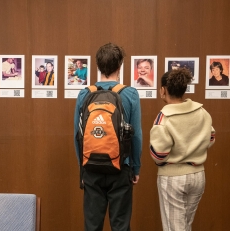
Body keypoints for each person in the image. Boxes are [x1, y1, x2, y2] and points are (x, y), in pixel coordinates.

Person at [74, 43, 142, 231]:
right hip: (121, 167)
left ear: (97, 66)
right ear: (120, 66)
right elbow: (136, 135)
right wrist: (135, 167)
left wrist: (82, 168)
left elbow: (77, 135)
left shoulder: (85, 94)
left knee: (92, 225)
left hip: (91, 168)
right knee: (120, 225)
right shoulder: (129, 94)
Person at [150, 68, 215, 231]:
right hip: (198, 176)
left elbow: (159, 155)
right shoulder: (201, 111)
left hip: (173, 177)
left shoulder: (164, 117)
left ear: (163, 90)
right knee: (185, 225)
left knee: (174, 228)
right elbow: (211, 137)